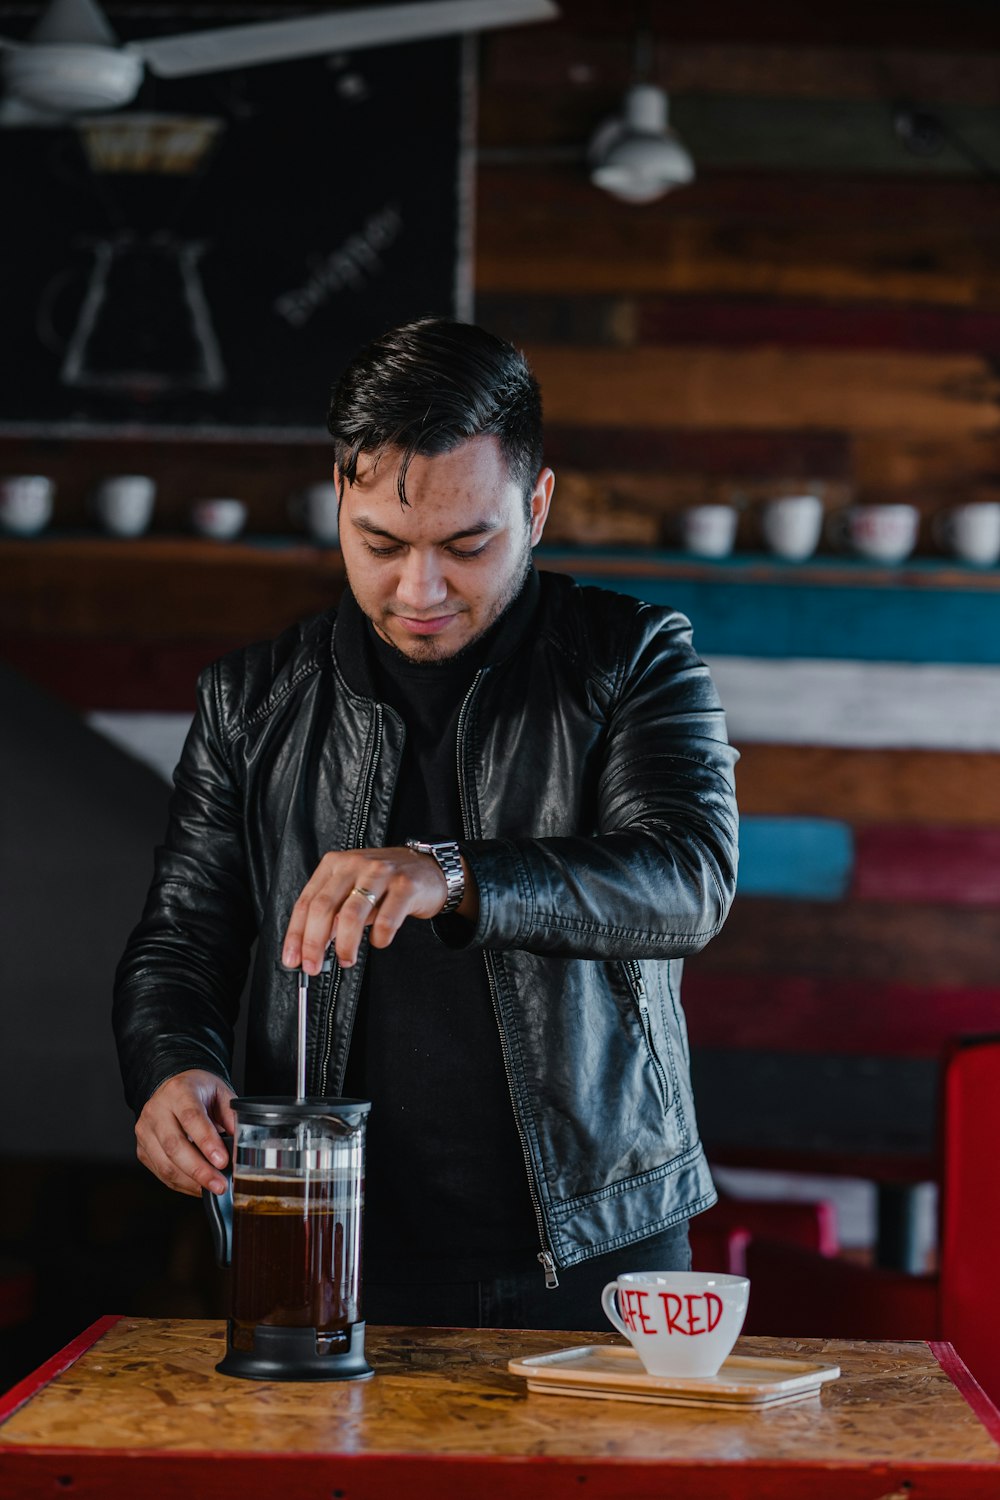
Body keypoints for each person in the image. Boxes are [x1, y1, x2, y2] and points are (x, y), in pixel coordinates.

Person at [113, 317, 739, 1330]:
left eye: (466, 544)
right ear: (339, 501)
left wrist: (448, 871)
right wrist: (172, 1068)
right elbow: (180, 941)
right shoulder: (248, 701)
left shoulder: (633, 659)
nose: (420, 589)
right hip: (326, 1237)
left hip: (597, 1238)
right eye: (381, 543)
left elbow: (686, 879)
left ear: (535, 504)